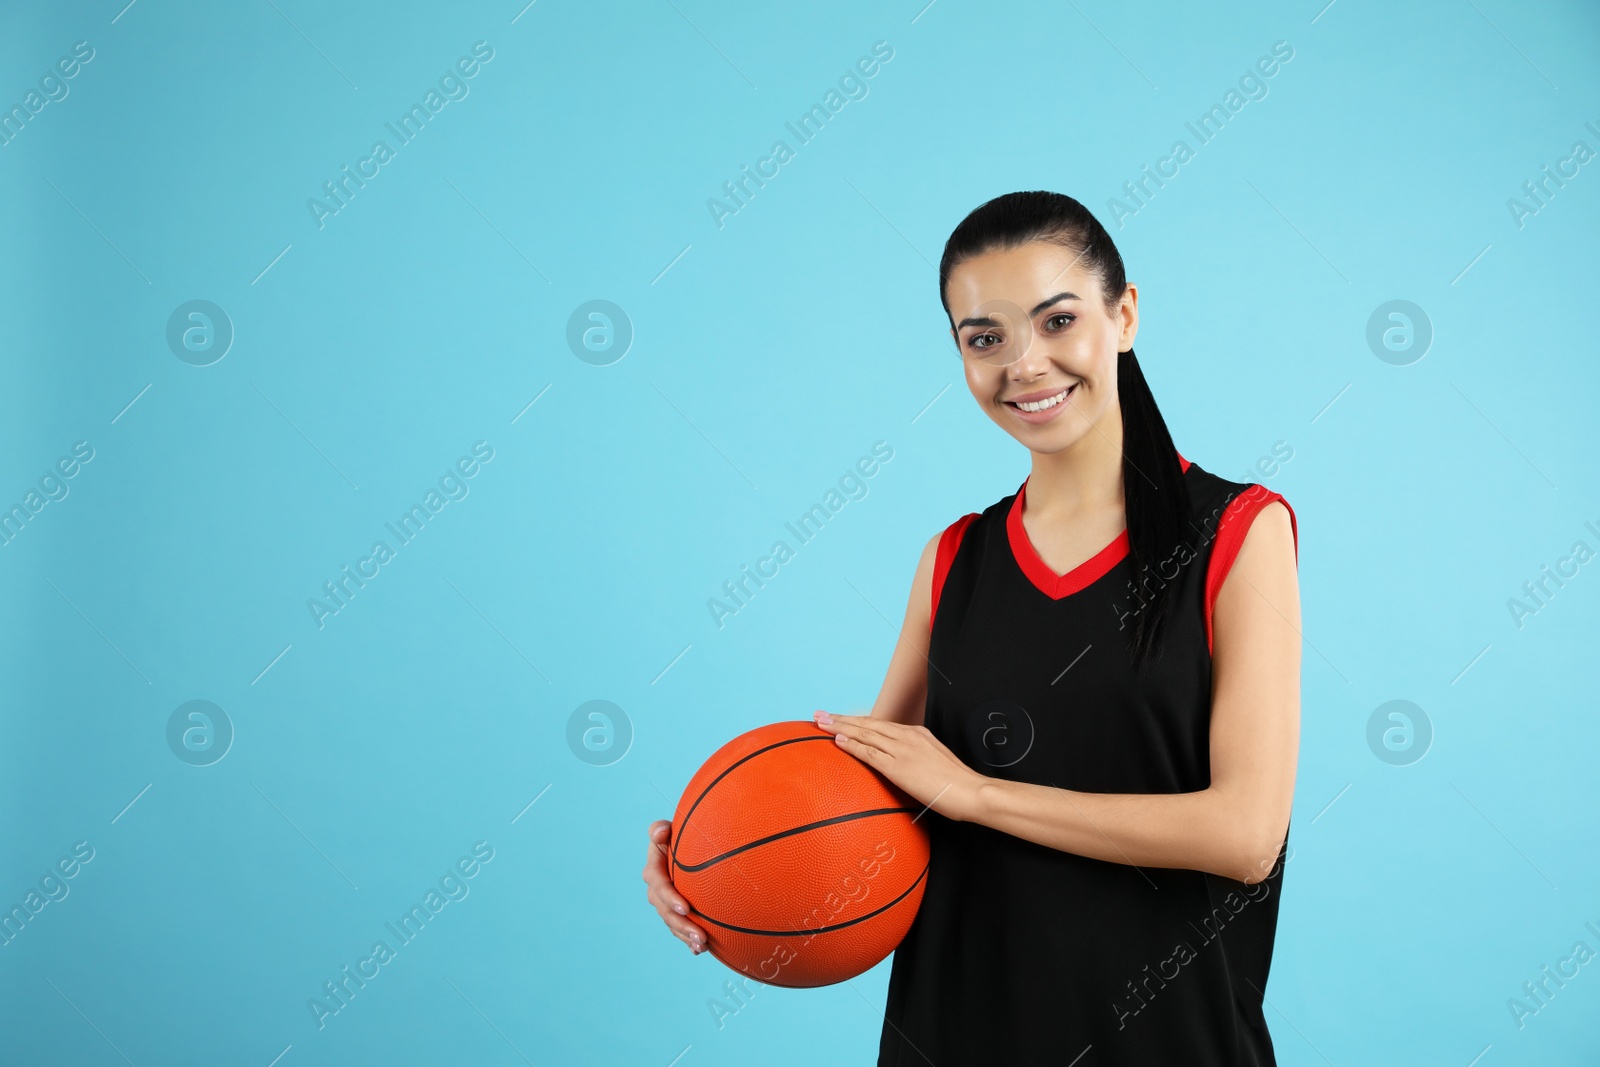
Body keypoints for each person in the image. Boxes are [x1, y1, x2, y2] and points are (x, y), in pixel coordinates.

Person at [642, 190, 1301, 1065]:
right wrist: (707, 858)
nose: (1024, 364)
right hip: (955, 1034)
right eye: (984, 337)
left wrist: (978, 795)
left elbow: (1245, 835)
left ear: (1125, 314)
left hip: (1169, 1040)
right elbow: (874, 803)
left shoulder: (1240, 533)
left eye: (1057, 319)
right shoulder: (953, 557)